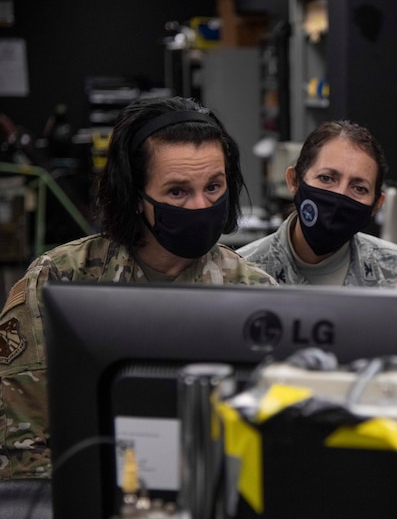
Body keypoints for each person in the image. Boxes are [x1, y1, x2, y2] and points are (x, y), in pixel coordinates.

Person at [0, 96, 277, 487]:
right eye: (178, 192)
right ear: (133, 196)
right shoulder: (58, 281)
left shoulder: (255, 292)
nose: (201, 206)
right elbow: (23, 453)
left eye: (214, 187)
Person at [237, 120, 397, 287]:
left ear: (377, 205)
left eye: (359, 188)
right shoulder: (240, 274)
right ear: (294, 181)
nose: (339, 195)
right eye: (326, 178)